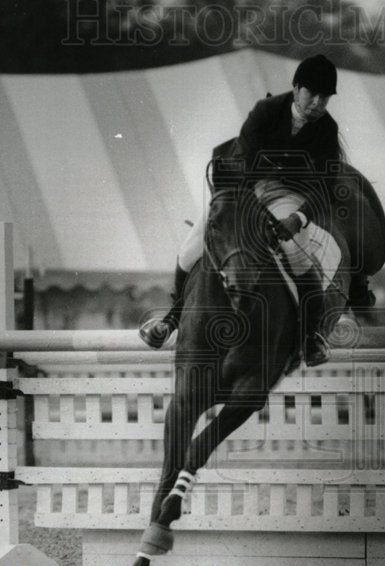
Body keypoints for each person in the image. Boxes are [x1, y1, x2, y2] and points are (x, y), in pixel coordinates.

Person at [140, 54, 371, 366]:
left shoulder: (327, 129)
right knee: (189, 250)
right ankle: (171, 319)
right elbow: (244, 161)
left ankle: (312, 336)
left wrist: (298, 218)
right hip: (245, 190)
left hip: (289, 197)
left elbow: (324, 187)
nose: (317, 102)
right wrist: (244, 210)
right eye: (312, 93)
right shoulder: (266, 111)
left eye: (325, 97)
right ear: (296, 88)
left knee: (298, 252)